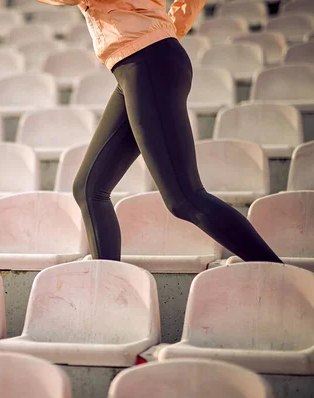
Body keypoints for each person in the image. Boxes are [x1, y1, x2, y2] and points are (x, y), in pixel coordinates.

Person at [39, 0, 283, 263]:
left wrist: (163, 33)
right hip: (142, 62)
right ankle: (105, 288)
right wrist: (168, 29)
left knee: (185, 198)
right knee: (89, 188)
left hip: (146, 62)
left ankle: (284, 279)